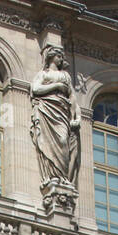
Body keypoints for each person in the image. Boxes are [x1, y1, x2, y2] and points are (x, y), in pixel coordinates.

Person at [30, 46, 81, 187]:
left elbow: (72, 97)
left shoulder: (66, 75)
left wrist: (77, 117)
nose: (61, 59)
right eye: (59, 56)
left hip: (62, 112)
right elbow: (36, 89)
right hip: (47, 109)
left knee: (63, 140)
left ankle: (61, 176)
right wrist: (56, 86)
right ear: (52, 57)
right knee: (47, 142)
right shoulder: (43, 74)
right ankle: (53, 176)